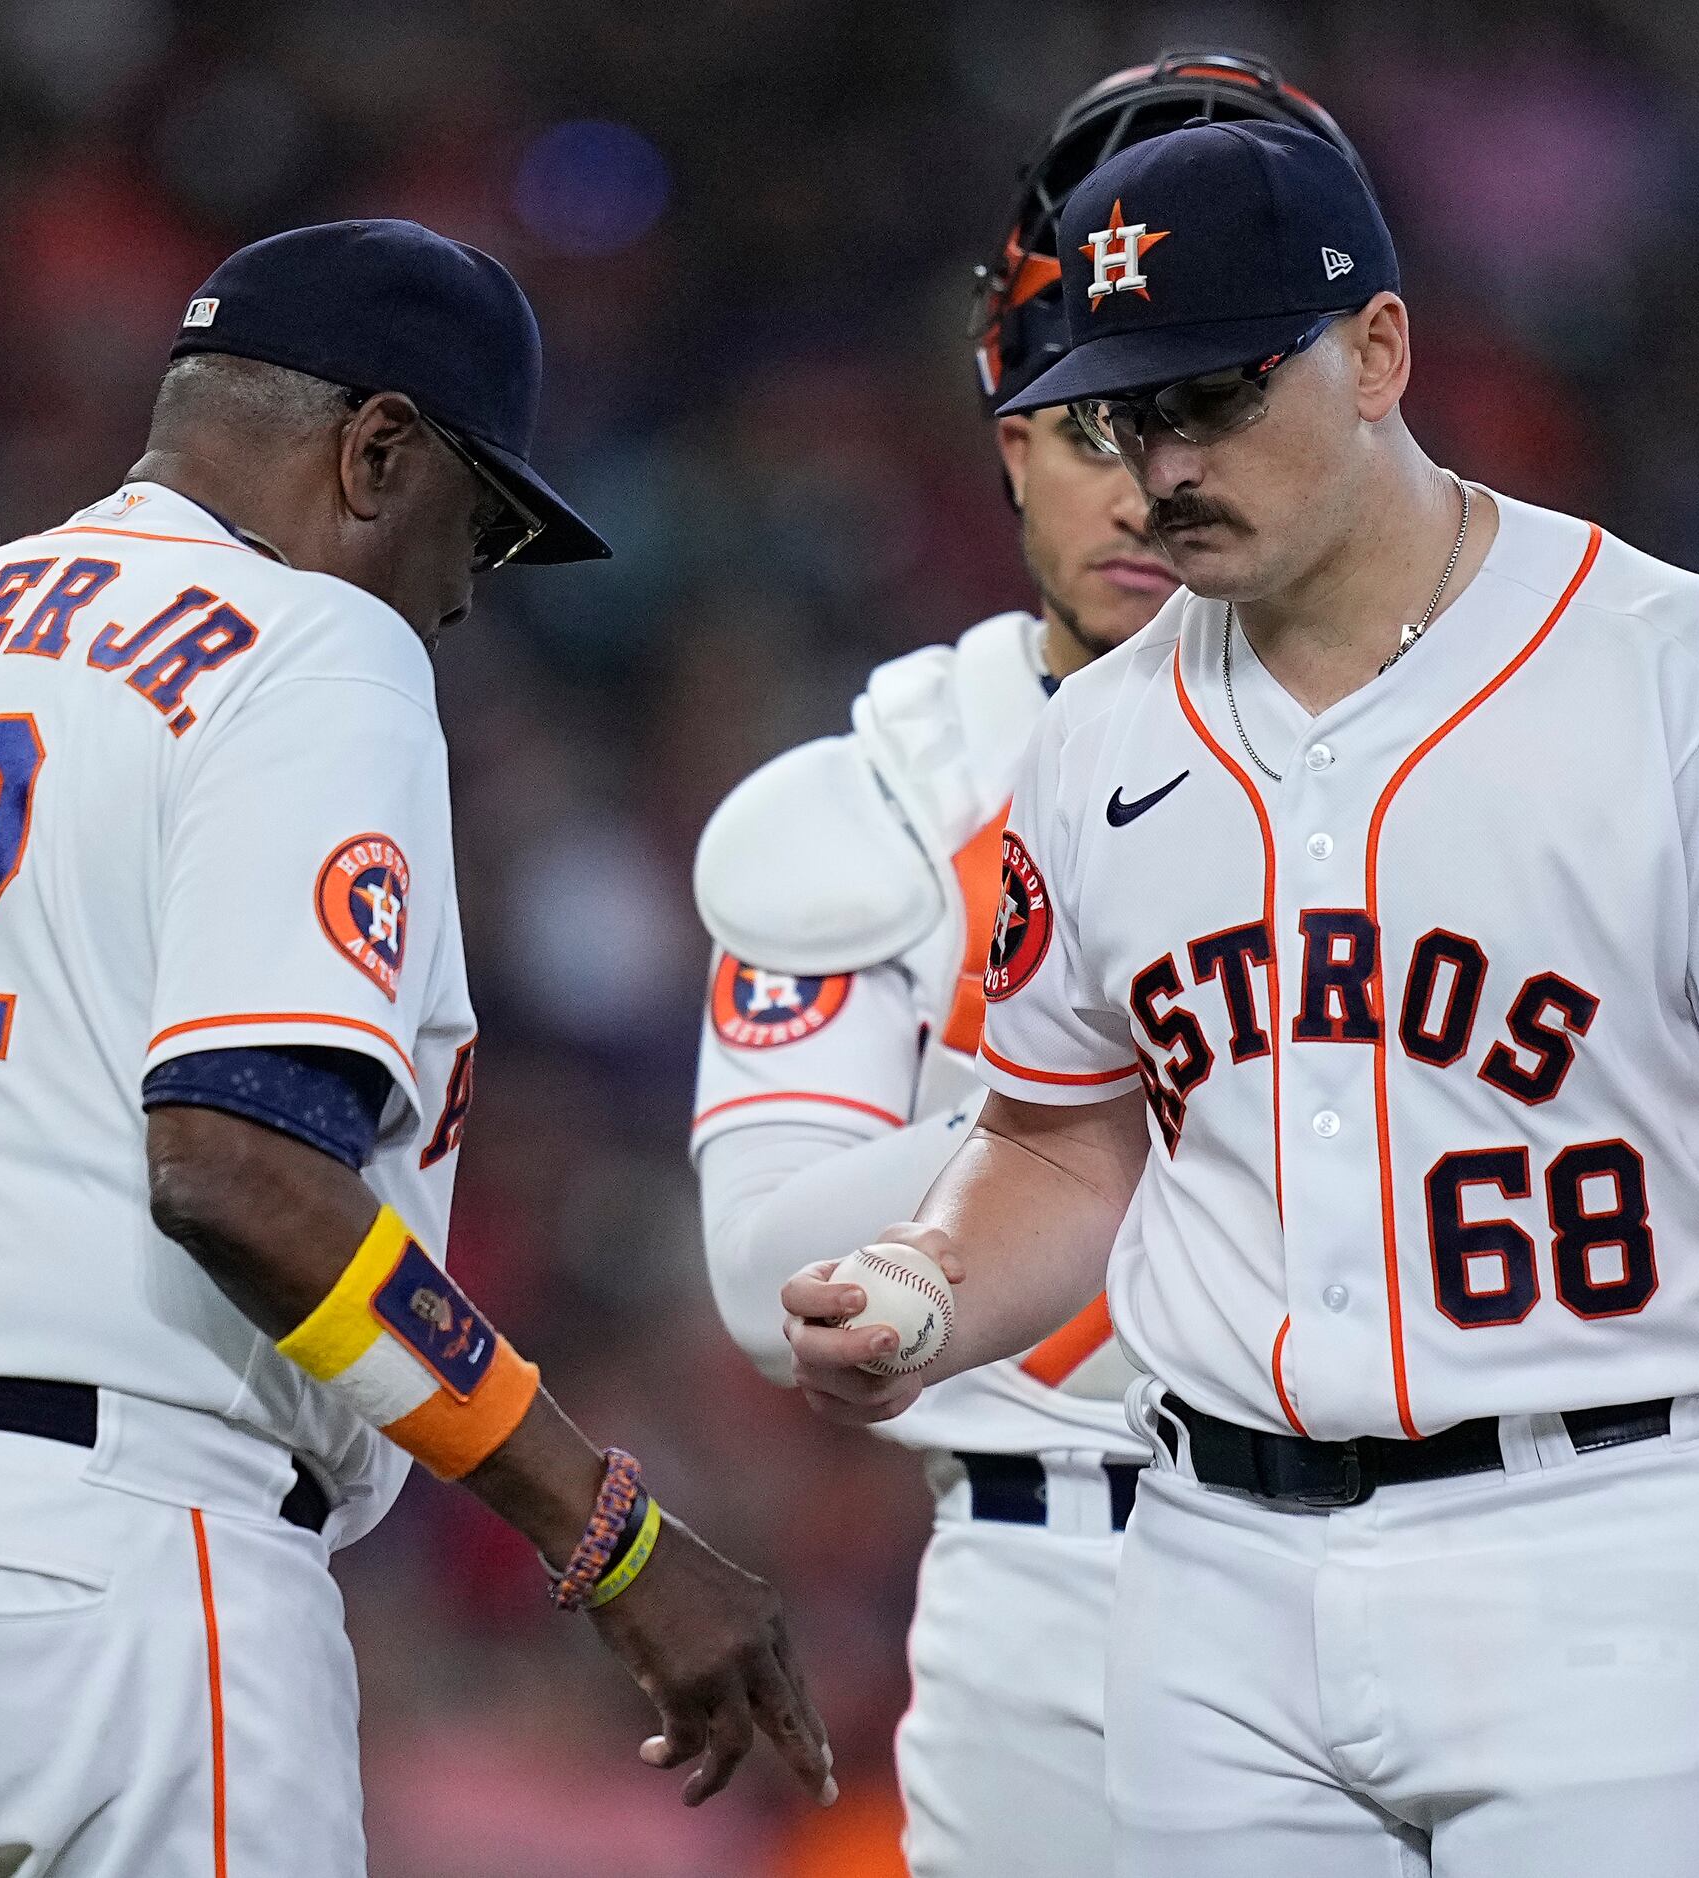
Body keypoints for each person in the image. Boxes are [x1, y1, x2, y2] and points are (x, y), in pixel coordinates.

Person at [782, 120, 1699, 1875]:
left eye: (1213, 395)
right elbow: (1062, 1141)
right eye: (1127, 414)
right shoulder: (1096, 747)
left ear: (1376, 350)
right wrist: (930, 1278)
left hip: (1618, 1548)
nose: (1161, 465)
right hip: (1213, 1572)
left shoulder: (1675, 670)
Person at [0, 219, 830, 1878]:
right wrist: (611, 1533)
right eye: (475, 531)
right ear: (377, 449)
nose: (460, 599)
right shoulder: (311, 642)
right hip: (111, 1555)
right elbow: (234, 1165)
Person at [689, 51, 1351, 1877]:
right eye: (1089, 425)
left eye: (1201, 403)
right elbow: (766, 1277)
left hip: (1436, 1551)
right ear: (1007, 436)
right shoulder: (891, 792)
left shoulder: (1482, 741)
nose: (1148, 482)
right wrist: (1155, 1055)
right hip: (1059, 1579)